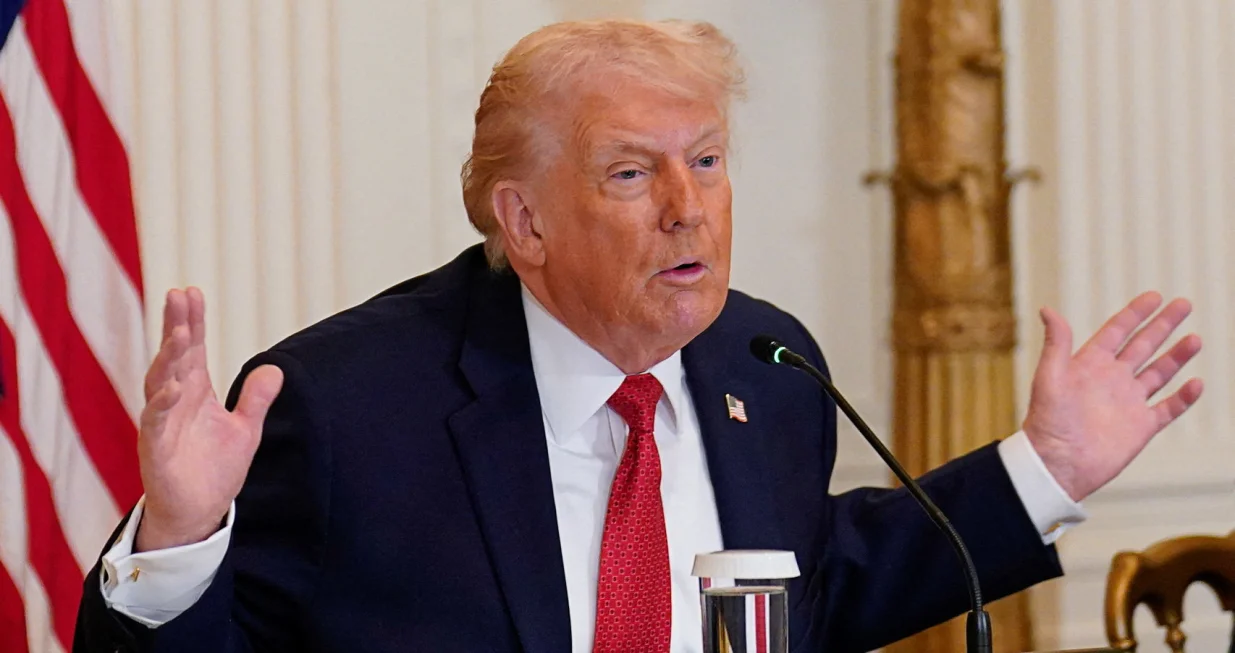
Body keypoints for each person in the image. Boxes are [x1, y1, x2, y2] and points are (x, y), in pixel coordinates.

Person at [72, 19, 1203, 653]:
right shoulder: (346, 403)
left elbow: (810, 586)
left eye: (705, 159)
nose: (688, 206)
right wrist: (176, 536)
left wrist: (1041, 470)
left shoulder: (766, 362)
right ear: (523, 221)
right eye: (631, 172)